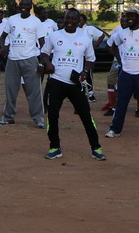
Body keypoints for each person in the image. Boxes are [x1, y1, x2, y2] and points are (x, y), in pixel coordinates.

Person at [40, 9, 105, 161]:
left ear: (78, 21)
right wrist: (47, 63)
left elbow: (90, 59)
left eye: (73, 19)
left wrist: (85, 71)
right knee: (53, 116)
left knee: (86, 116)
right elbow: (44, 53)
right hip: (56, 82)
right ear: (64, 20)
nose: (70, 21)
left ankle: (96, 148)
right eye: (67, 18)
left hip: (75, 84)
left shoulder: (85, 38)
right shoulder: (54, 36)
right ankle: (55, 147)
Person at [105, 10, 139, 139]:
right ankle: (115, 130)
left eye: (132, 16)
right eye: (127, 16)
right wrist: (119, 59)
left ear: (138, 19)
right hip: (125, 73)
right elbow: (113, 46)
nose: (129, 19)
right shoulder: (122, 33)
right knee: (121, 102)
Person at [0, 0, 46, 127]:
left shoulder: (36, 21)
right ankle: (8, 117)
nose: (23, 7)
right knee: (10, 91)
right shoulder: (12, 19)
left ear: (30, 7)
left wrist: (42, 62)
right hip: (13, 60)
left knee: (34, 91)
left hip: (30, 59)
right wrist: (4, 47)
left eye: (26, 5)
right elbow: (3, 37)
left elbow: (42, 42)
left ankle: (38, 118)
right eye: (21, 5)